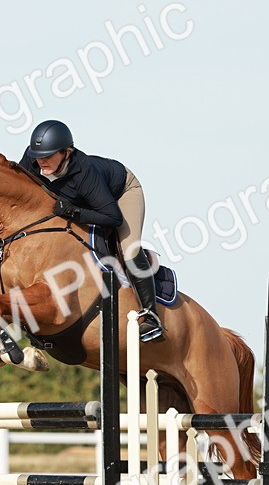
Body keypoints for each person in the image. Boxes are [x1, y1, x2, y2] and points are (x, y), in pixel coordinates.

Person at [18, 119, 165, 342]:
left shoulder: (83, 172)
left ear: (66, 153)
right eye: (38, 154)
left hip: (121, 194)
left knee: (129, 250)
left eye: (48, 155)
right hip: (85, 201)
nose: (41, 160)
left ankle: (152, 317)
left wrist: (74, 212)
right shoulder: (33, 160)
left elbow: (112, 217)